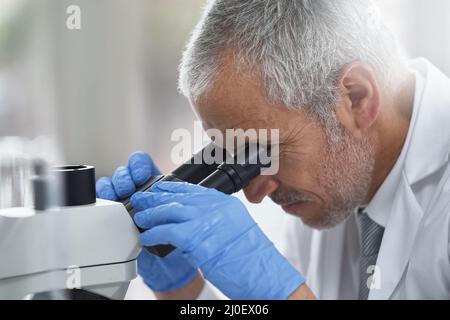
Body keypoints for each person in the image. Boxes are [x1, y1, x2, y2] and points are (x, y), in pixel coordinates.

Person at [96, 0, 450, 299]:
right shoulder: (331, 187)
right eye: (232, 156)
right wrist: (183, 287)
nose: (254, 192)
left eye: (262, 151)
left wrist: (281, 293)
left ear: (356, 97)